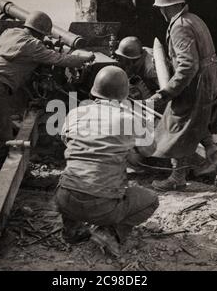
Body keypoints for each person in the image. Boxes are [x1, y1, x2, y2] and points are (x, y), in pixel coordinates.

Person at [0, 11, 95, 194]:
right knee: (1, 137)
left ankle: (11, 172)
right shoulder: (32, 45)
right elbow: (59, 59)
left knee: (4, 130)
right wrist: (84, 58)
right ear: (40, 32)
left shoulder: (11, 33)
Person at [55, 66, 159, 257]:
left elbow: (67, 140)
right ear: (125, 95)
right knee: (151, 200)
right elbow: (150, 150)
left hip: (65, 198)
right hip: (102, 207)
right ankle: (109, 232)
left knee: (75, 174)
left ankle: (71, 230)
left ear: (95, 91)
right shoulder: (129, 118)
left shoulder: (75, 113)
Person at [149, 0, 217, 191]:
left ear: (165, 7)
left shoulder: (180, 25)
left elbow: (188, 65)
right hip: (212, 77)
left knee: (174, 124)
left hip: (198, 82)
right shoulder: (194, 19)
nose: (161, 13)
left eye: (161, 9)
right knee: (195, 122)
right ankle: (212, 156)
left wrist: (167, 92)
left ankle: (178, 177)